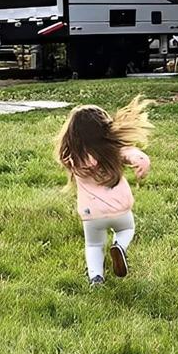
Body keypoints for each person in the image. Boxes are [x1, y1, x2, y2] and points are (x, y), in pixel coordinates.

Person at [56, 97, 152, 287]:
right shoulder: (113, 150)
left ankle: (96, 278)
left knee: (93, 245)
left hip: (91, 214)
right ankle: (119, 247)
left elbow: (65, 156)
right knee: (127, 229)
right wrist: (142, 162)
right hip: (119, 210)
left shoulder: (72, 158)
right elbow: (133, 154)